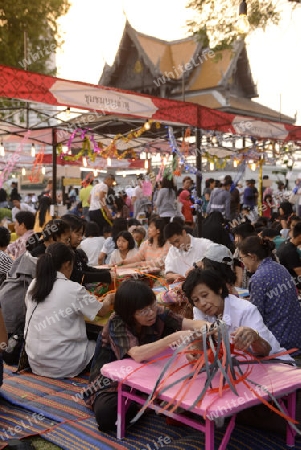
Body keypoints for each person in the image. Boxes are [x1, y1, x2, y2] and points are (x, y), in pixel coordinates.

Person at [84, 279, 208, 431]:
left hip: (148, 376)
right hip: (111, 384)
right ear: (129, 313)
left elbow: (189, 323)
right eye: (143, 311)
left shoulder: (157, 312)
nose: (151, 313)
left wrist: (210, 327)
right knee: (108, 415)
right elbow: (137, 354)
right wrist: (172, 338)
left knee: (190, 378)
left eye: (152, 306)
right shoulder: (117, 322)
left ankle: (149, 402)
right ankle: (150, 403)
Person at [24, 242, 113, 378]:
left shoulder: (34, 284)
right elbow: (101, 311)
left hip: (35, 362)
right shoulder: (73, 289)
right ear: (67, 264)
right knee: (105, 345)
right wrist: (110, 298)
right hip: (64, 365)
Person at [182, 269, 293, 360]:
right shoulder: (199, 310)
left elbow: (265, 350)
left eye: (205, 295)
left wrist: (255, 338)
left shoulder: (245, 310)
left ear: (219, 289)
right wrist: (195, 349)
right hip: (239, 366)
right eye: (196, 300)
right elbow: (202, 339)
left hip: (272, 363)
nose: (202, 303)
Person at [238, 235, 301, 356]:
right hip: (296, 337)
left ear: (252, 256)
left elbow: (255, 316)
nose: (243, 263)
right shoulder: (280, 268)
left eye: (242, 258)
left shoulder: (258, 278)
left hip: (279, 343)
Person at [61, 214, 111, 286]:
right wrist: (106, 276)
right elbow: (77, 275)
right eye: (78, 234)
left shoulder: (75, 251)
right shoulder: (63, 254)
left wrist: (107, 272)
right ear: (66, 233)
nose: (81, 238)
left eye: (82, 235)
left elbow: (85, 268)